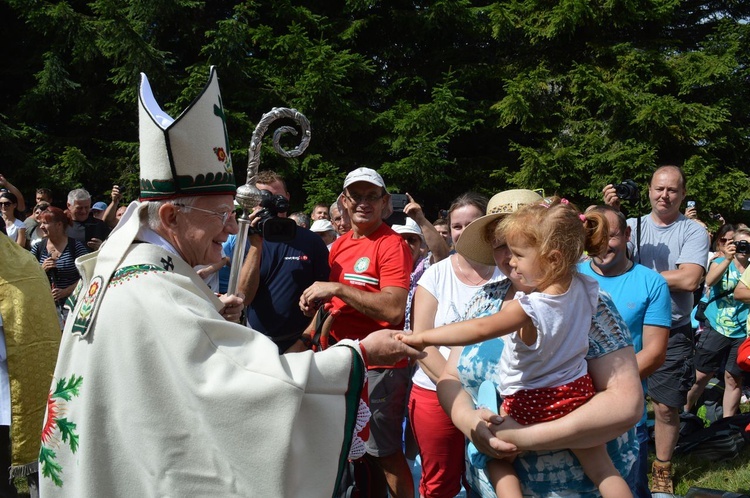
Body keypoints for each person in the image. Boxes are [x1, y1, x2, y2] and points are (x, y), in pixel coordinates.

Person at [38, 66, 422, 498]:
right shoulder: (152, 289)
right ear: (170, 216)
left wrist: (207, 313)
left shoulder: (129, 268)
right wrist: (358, 354)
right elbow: (242, 388)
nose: (230, 228)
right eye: (220, 214)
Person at [400, 198, 632, 498]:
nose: (509, 257)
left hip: (566, 477)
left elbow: (626, 403)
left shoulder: (542, 305)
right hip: (575, 393)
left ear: (550, 253)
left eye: (518, 248)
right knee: (604, 472)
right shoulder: (576, 291)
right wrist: (471, 424)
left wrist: (425, 337)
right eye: (500, 245)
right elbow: (451, 377)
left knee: (497, 457)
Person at [299, 167, 414, 498]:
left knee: (384, 452)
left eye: (372, 197)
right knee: (358, 451)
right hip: (343, 359)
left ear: (384, 204)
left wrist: (337, 287)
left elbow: (393, 309)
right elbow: (334, 302)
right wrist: (314, 311)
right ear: (344, 203)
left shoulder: (391, 245)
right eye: (356, 196)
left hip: (380, 366)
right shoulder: (338, 246)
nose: (364, 203)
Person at [603, 165, 709, 494]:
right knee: (617, 397)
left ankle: (661, 466)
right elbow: (607, 259)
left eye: (672, 190)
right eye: (658, 189)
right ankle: (616, 458)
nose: (664, 196)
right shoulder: (632, 225)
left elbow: (690, 279)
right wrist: (613, 216)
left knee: (665, 406)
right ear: (648, 190)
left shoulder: (692, 231)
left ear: (683, 194)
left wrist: (638, 279)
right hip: (624, 327)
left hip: (673, 326)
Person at [407, 191, 501, 498]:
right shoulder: (434, 275)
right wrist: (460, 391)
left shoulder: (508, 273)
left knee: (491, 478)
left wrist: (480, 396)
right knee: (440, 483)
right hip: (436, 392)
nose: (462, 232)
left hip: (496, 397)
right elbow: (422, 341)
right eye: (456, 226)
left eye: (471, 224)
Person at [579, 205, 672, 498]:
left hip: (625, 416)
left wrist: (606, 389)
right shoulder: (570, 275)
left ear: (628, 234)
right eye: (595, 236)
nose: (603, 244)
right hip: (573, 408)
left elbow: (655, 352)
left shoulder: (651, 282)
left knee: (628, 487)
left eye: (612, 236)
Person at [229, 170, 331, 353]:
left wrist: (305, 341)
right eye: (264, 199)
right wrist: (255, 245)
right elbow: (244, 297)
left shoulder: (311, 242)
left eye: (277, 199)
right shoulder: (246, 241)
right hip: (256, 343)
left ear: (287, 198)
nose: (271, 207)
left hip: (301, 343)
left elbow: (326, 299)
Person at [685, 227, 750, 418]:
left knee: (734, 378)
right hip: (717, 327)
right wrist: (728, 258)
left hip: (741, 331)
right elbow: (710, 281)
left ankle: (727, 425)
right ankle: (684, 413)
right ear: (731, 244)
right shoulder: (721, 262)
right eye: (740, 243)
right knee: (701, 375)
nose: (744, 248)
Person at [30, 207, 88, 328]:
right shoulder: (38, 248)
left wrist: (66, 291)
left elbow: (88, 275)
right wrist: (42, 270)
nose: (41, 227)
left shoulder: (76, 247)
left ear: (59, 225)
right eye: (40, 223)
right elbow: (28, 277)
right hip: (46, 309)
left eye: (45, 223)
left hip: (73, 307)